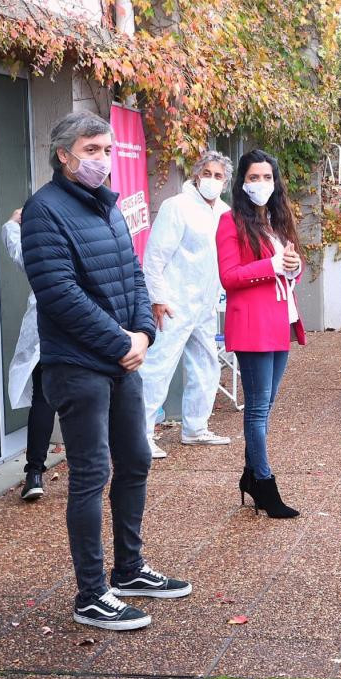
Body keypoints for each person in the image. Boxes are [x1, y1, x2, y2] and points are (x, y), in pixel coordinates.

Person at [22, 111, 191, 631]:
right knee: (90, 475)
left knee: (136, 459)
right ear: (63, 155)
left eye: (106, 149)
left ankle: (130, 569)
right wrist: (120, 342)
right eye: (91, 150)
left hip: (121, 358)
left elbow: (133, 277)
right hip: (78, 366)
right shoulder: (43, 211)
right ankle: (91, 594)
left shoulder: (110, 208)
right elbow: (59, 294)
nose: (101, 159)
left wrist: (143, 333)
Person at [217, 149, 305, 518]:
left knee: (265, 409)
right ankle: (265, 485)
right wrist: (271, 265)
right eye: (254, 178)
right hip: (252, 325)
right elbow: (229, 276)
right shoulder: (229, 221)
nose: (261, 184)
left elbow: (289, 271)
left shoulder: (277, 220)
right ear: (241, 182)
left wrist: (294, 266)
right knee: (256, 411)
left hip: (280, 321)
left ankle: (251, 476)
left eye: (267, 177)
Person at [141, 150, 233, 459]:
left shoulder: (224, 212)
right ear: (196, 175)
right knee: (157, 367)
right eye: (207, 173)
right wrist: (158, 298)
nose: (211, 180)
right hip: (173, 303)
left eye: (218, 176)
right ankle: (141, 434)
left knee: (206, 366)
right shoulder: (176, 207)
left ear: (226, 182)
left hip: (204, 305)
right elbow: (154, 257)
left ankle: (195, 428)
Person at [3, 207, 56, 501]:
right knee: (85, 399)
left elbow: (15, 247)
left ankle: (34, 473)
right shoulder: (82, 243)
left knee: (45, 399)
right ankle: (90, 469)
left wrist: (12, 224)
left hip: (45, 331)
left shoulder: (40, 251)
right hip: (80, 331)